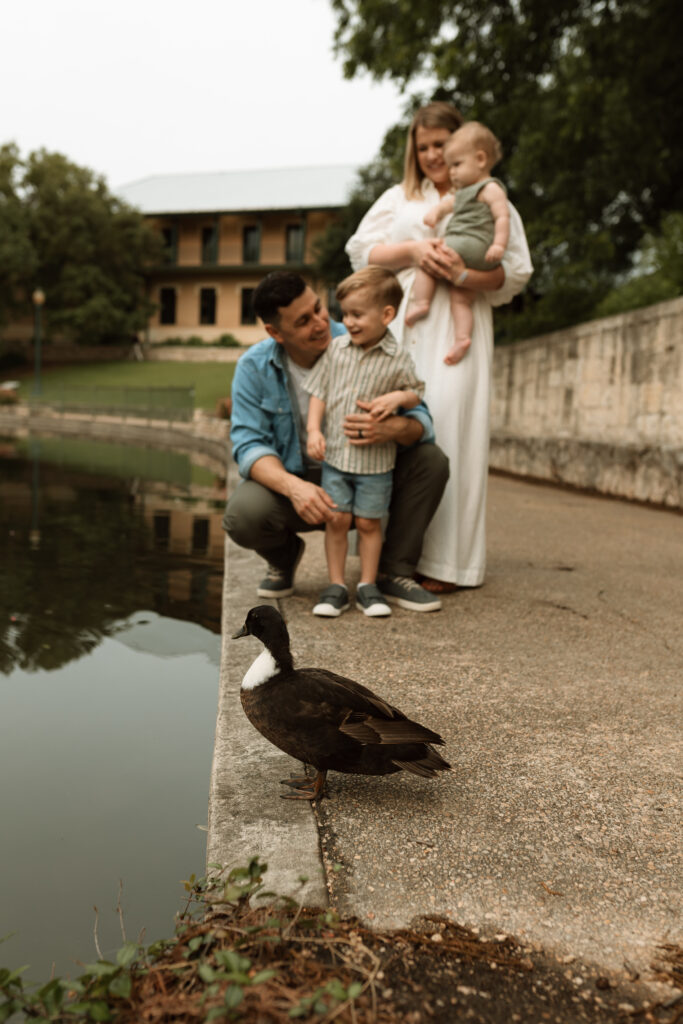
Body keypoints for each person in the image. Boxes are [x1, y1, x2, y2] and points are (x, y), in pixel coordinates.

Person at [346, 101, 533, 593]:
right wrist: (413, 251)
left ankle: (450, 563)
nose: (432, 155)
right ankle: (387, 553)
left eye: (440, 145)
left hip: (459, 325)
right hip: (404, 323)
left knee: (451, 430)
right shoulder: (400, 197)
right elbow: (360, 252)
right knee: (398, 430)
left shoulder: (489, 196)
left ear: (465, 146)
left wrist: (463, 273)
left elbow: (514, 271)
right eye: (423, 147)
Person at [222, 270, 449, 612]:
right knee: (243, 515)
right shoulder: (253, 368)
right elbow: (249, 446)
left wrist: (394, 429)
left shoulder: (366, 334)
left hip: (369, 470)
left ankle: (393, 572)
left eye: (319, 307)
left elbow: (422, 421)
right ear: (275, 332)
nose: (321, 322)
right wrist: (293, 488)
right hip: (301, 482)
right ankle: (284, 558)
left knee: (431, 461)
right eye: (303, 320)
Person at [306, 267, 424, 618]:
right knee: (338, 520)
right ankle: (336, 586)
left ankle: (368, 585)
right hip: (337, 459)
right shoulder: (336, 350)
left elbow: (417, 393)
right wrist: (314, 430)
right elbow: (318, 393)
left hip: (376, 463)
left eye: (357, 314)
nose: (348, 322)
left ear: (387, 315)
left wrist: (397, 399)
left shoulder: (397, 356)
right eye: (345, 314)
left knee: (370, 523)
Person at [405, 121, 510, 366]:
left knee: (430, 255)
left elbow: (502, 217)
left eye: (457, 165)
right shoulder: (465, 191)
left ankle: (422, 302)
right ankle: (462, 338)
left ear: (481, 160)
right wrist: (436, 212)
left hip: (473, 244)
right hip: (469, 252)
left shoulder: (490, 188)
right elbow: (448, 205)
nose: (452, 172)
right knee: (461, 298)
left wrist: (499, 245)